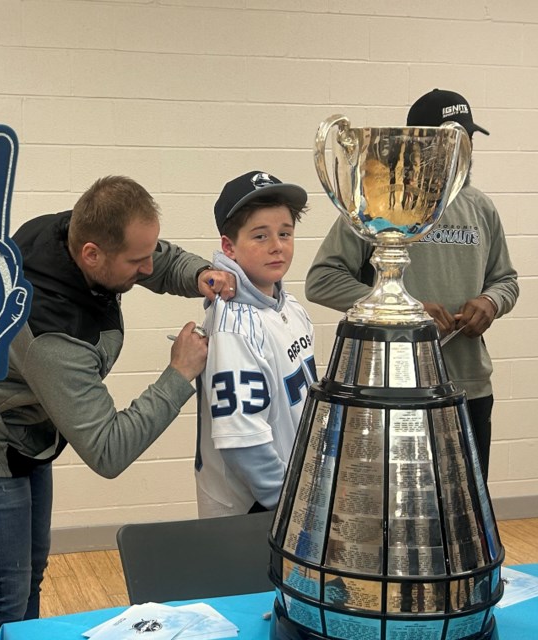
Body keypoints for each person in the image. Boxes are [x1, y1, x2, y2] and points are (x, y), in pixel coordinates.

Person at [0, 175, 238, 637]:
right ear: (91, 254)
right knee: (0, 600)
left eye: (149, 253)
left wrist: (195, 274)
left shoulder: (66, 231)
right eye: (136, 261)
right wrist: (179, 374)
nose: (149, 268)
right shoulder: (52, 334)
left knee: (28, 578)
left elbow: (157, 255)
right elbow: (108, 450)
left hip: (27, 434)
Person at [305, 89, 519, 483]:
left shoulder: (481, 207)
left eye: (468, 139)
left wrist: (492, 301)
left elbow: (506, 280)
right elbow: (321, 280)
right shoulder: (376, 202)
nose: (465, 149)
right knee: (397, 512)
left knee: (467, 511)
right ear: (422, 144)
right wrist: (403, 312)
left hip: (469, 385)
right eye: (453, 140)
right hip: (397, 386)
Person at [194, 171, 316, 518]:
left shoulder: (290, 307)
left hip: (296, 490)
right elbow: (243, 443)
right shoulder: (233, 325)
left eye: (285, 233)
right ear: (229, 247)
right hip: (259, 507)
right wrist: (290, 505)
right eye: (260, 236)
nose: (277, 246)